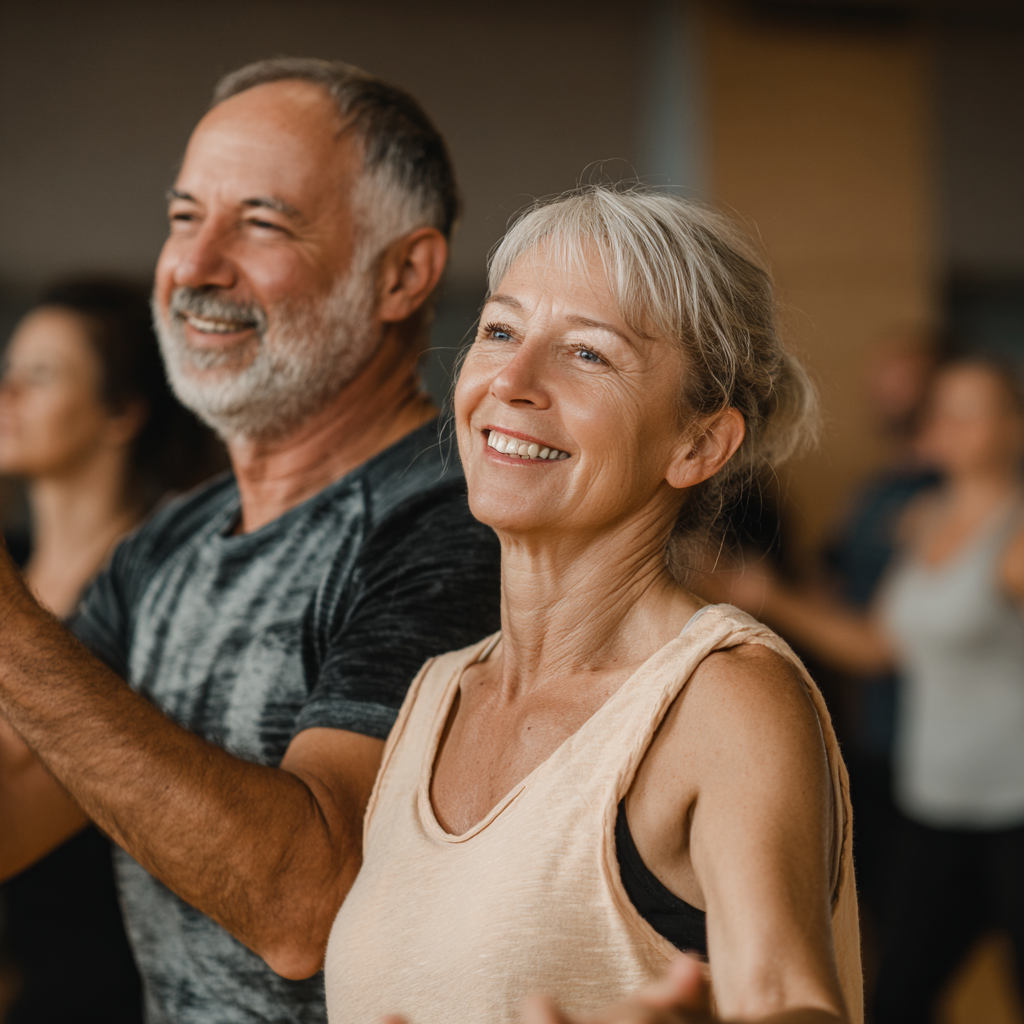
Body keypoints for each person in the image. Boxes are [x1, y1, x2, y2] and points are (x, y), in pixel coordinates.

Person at [0, 58, 502, 1023]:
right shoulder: (168, 544)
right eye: (185, 217)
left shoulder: (458, 520)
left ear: (404, 273)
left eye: (260, 222)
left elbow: (302, 906)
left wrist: (12, 631)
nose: (193, 266)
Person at [323, 186, 863, 1024]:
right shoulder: (435, 694)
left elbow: (791, 1005)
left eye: (587, 355)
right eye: (500, 331)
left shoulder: (720, 698)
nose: (510, 379)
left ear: (698, 445)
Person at [722, 358, 1024, 1023]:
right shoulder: (924, 519)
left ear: (1014, 426)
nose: (945, 423)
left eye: (969, 410)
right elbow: (877, 647)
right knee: (896, 1001)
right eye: (941, 409)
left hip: (1014, 813)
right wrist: (768, 595)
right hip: (933, 806)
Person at [0, 277, 221, 1022]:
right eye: (10, 368)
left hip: (107, 984)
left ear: (121, 412)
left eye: (41, 375)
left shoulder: (161, 586)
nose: (6, 392)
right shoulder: (15, 556)